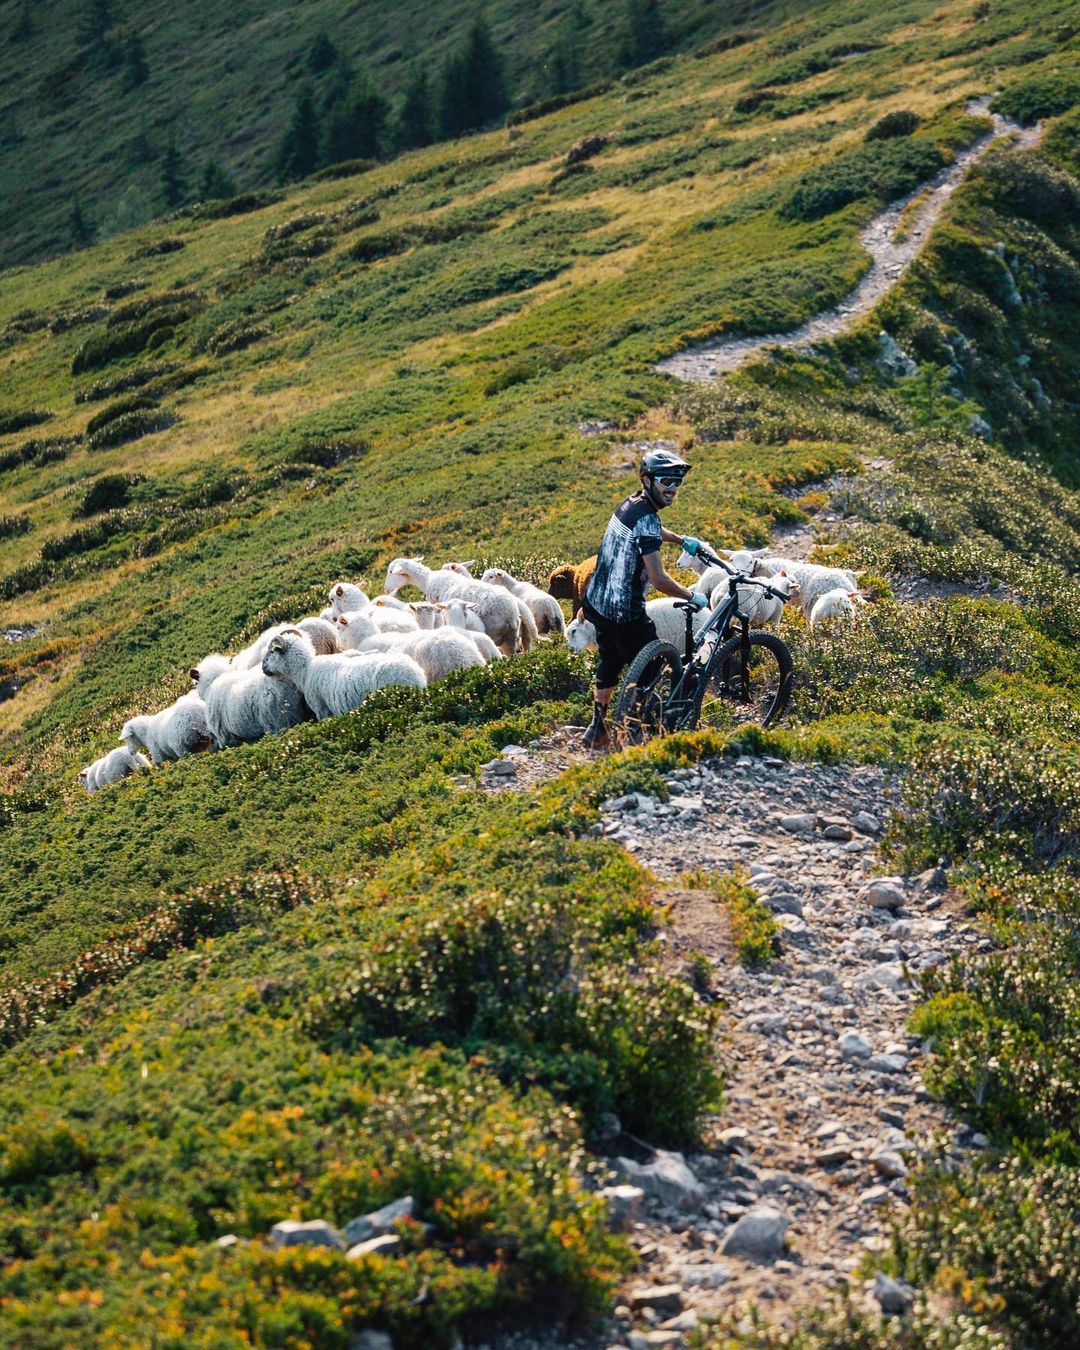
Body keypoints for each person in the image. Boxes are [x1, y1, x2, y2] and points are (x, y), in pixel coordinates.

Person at [581, 448, 708, 750]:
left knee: (610, 661)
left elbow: (648, 530)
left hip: (597, 602)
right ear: (647, 479)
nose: (673, 488)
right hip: (625, 610)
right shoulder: (647, 518)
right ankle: (632, 729)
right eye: (667, 480)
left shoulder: (630, 504)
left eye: (678, 482)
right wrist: (693, 596)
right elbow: (658, 579)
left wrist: (680, 540)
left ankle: (597, 729)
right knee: (653, 666)